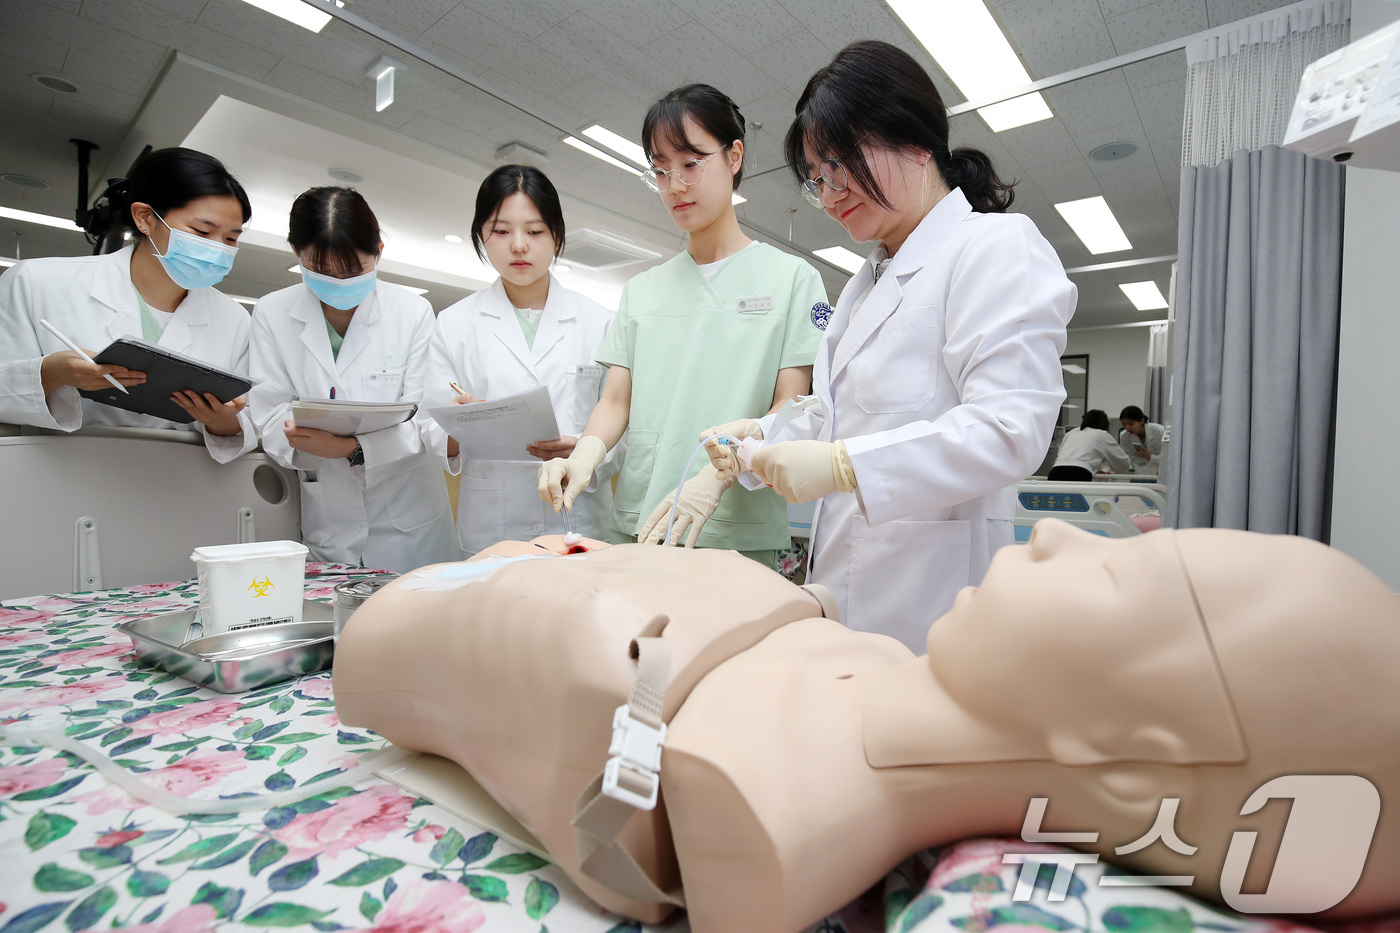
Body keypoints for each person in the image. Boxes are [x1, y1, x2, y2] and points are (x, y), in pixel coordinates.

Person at [335, 522, 1400, 929]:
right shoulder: (870, 663)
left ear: (1134, 759)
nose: (1056, 531)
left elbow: (384, 636)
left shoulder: (735, 782)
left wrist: (524, 574)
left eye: (1119, 572)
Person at [703, 41, 1076, 651]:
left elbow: (1010, 429)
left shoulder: (994, 247)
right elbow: (832, 415)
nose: (828, 194)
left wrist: (846, 465)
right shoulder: (865, 282)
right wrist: (754, 445)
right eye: (816, 178)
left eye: (840, 165)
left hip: (934, 601)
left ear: (914, 138)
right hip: (842, 584)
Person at [537, 84, 827, 568]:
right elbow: (615, 402)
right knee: (636, 645)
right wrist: (583, 457)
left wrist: (722, 472)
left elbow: (791, 406)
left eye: (690, 164)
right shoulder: (642, 290)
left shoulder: (793, 279)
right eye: (660, 170)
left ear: (734, 156)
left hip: (736, 524)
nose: (674, 185)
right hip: (642, 523)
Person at [0, 147, 257, 461]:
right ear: (145, 217)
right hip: (57, 472)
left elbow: (245, 426)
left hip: (175, 481)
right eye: (202, 231)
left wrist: (222, 421)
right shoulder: (36, 282)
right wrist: (51, 373)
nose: (217, 248)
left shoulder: (234, 319)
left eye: (231, 238)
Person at [248, 187, 457, 573]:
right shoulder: (272, 311)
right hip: (329, 517)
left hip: (409, 519)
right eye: (322, 270)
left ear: (378, 252)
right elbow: (268, 409)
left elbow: (424, 418)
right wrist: (302, 438)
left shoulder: (412, 312)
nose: (339, 282)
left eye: (354, 270)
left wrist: (351, 449)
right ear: (296, 252)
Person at [426, 165, 622, 555]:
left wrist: (585, 450)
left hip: (579, 516)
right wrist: (458, 425)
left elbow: (625, 427)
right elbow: (429, 430)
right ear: (481, 235)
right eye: (501, 231)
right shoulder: (453, 324)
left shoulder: (601, 323)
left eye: (534, 231)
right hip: (492, 523)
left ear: (557, 236)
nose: (518, 245)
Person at [1049, 409, 1130, 480]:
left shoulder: (1071, 433)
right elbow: (1123, 464)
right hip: (1079, 472)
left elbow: (1060, 453)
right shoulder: (1102, 434)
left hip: (1056, 471)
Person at [1118, 404, 1164, 473]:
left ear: (1142, 421)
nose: (1127, 428)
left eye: (1131, 424)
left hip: (1162, 471)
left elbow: (1167, 458)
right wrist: (1148, 458)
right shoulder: (1124, 436)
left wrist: (1150, 457)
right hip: (1141, 473)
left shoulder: (1159, 431)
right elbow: (1131, 458)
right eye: (1124, 424)